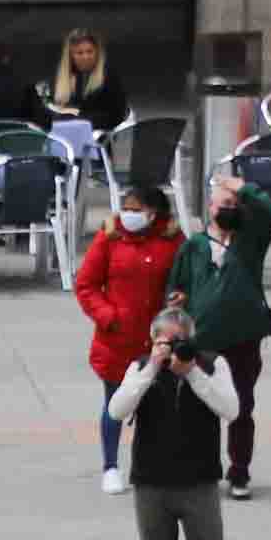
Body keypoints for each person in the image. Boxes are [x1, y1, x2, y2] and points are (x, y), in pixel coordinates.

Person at [169, 173, 271, 500]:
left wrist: (243, 186)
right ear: (211, 207)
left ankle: (239, 471)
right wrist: (176, 300)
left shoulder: (251, 240)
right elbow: (176, 287)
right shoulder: (193, 246)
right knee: (199, 407)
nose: (231, 208)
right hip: (203, 340)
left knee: (241, 406)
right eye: (225, 203)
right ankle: (201, 469)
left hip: (244, 337)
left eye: (236, 204)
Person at [71, 184, 179, 492]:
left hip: (158, 340)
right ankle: (110, 466)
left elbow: (184, 278)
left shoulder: (172, 240)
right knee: (115, 404)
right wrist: (108, 316)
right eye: (126, 208)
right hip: (117, 340)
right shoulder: (110, 237)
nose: (128, 215)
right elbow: (87, 285)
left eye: (136, 209)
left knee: (159, 407)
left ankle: (152, 465)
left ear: (153, 212)